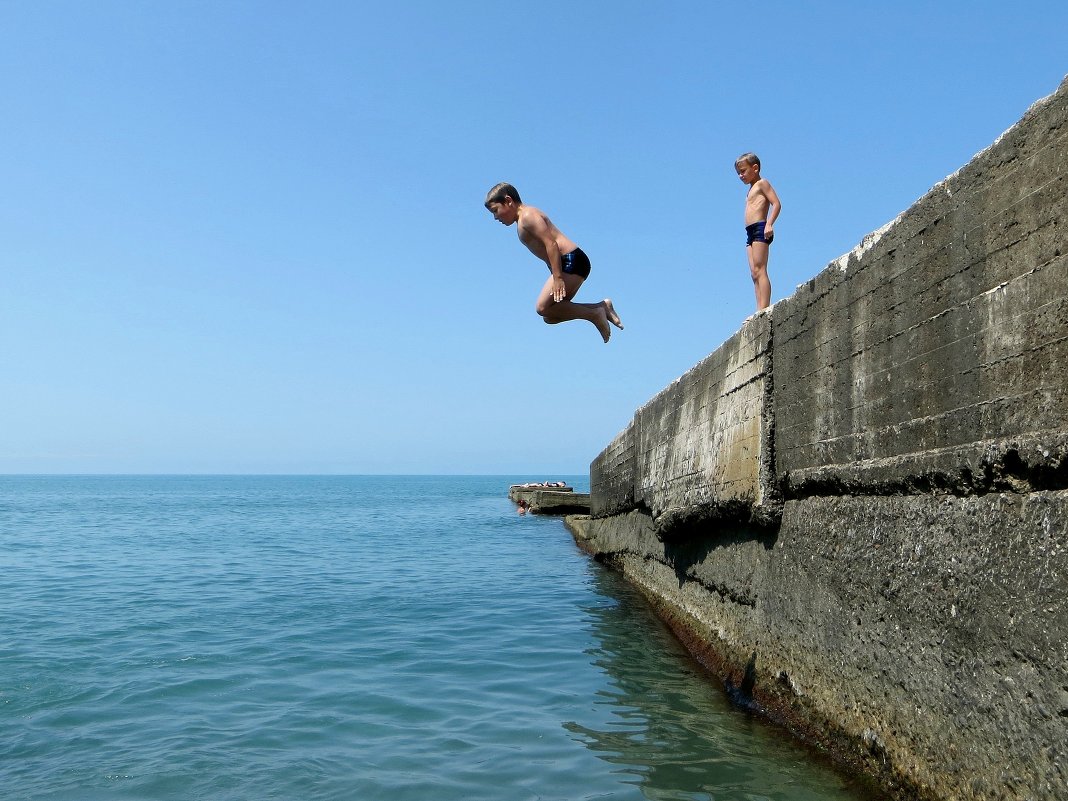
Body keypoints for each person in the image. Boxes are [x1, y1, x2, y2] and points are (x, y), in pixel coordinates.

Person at [485, 183, 623, 342]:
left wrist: (558, 278)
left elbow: (551, 244)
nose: (496, 217)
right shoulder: (521, 221)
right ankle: (601, 307)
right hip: (569, 263)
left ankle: (594, 314)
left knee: (543, 308)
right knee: (551, 316)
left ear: (508, 201)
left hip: (571, 261)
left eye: (496, 211)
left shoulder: (528, 216)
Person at [735, 153, 782, 311]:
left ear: (755, 168)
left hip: (760, 228)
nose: (741, 176)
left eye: (743, 171)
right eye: (739, 173)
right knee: (754, 273)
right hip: (750, 232)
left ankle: (764, 308)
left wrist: (769, 224)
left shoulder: (763, 183)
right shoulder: (750, 190)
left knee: (761, 269)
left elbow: (776, 204)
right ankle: (758, 309)